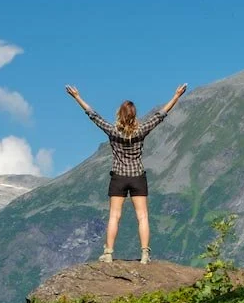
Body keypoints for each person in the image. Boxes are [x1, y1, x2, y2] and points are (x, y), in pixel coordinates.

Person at [65, 83, 187, 264]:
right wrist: (176, 96)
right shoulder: (141, 131)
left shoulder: (113, 131)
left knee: (114, 215)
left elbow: (93, 115)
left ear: (119, 115)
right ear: (134, 115)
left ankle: (108, 253)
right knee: (143, 216)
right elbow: (161, 115)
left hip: (119, 177)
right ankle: (145, 254)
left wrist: (77, 97)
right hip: (137, 176)